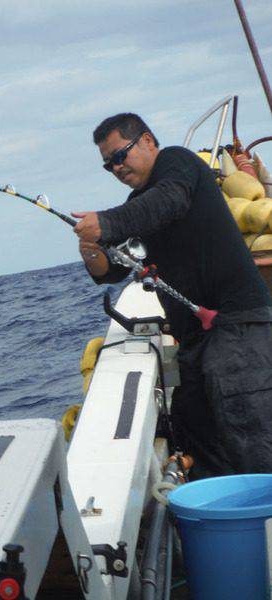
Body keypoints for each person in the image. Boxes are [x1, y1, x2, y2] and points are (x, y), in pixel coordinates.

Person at [72, 112, 272, 479]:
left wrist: (107, 222)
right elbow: (109, 271)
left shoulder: (178, 165)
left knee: (252, 436)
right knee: (195, 427)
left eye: (120, 155)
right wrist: (91, 247)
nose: (116, 167)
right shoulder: (139, 204)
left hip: (238, 327)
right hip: (196, 340)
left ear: (148, 140)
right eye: (108, 164)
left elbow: (168, 202)